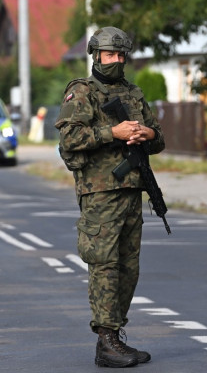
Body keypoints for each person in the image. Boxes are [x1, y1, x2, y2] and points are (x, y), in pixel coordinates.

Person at [55, 26, 165, 368]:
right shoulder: (82, 92)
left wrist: (146, 133)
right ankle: (106, 340)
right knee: (105, 266)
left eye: (120, 55)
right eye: (108, 55)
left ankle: (115, 335)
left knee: (128, 269)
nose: (115, 61)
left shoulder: (133, 93)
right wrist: (111, 132)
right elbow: (69, 140)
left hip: (132, 190)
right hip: (101, 192)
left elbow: (158, 138)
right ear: (95, 55)